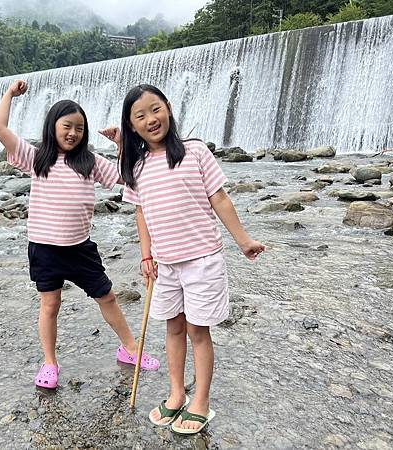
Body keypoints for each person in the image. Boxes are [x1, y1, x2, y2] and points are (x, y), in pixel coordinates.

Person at [101, 84, 265, 434]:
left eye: (155, 109)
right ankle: (176, 394)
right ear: (132, 126)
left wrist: (243, 240)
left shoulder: (195, 151)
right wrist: (146, 255)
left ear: (169, 108)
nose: (151, 119)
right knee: (173, 327)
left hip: (202, 259)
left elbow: (219, 198)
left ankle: (200, 401)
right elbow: (141, 213)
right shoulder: (137, 166)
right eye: (140, 116)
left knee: (197, 330)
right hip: (165, 264)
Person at [0, 80, 160, 389]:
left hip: (80, 248)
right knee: (50, 305)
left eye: (79, 129)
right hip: (44, 249)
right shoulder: (37, 158)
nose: (73, 133)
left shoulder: (89, 162)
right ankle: (50, 362)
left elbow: (127, 177)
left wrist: (121, 144)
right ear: (52, 127)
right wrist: (9, 95)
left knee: (107, 296)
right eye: (67, 126)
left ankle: (130, 349)